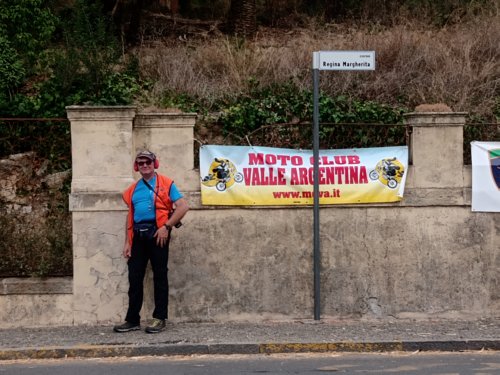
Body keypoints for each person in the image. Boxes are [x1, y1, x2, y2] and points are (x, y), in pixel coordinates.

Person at [113, 150, 189, 333]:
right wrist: (127, 242)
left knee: (160, 275)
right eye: (141, 163)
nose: (144, 165)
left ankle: (159, 318)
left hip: (159, 234)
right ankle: (132, 320)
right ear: (136, 166)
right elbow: (130, 217)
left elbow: (183, 206)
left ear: (155, 163)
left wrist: (167, 227)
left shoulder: (166, 183)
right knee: (134, 276)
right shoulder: (132, 190)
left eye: (148, 162)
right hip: (138, 236)